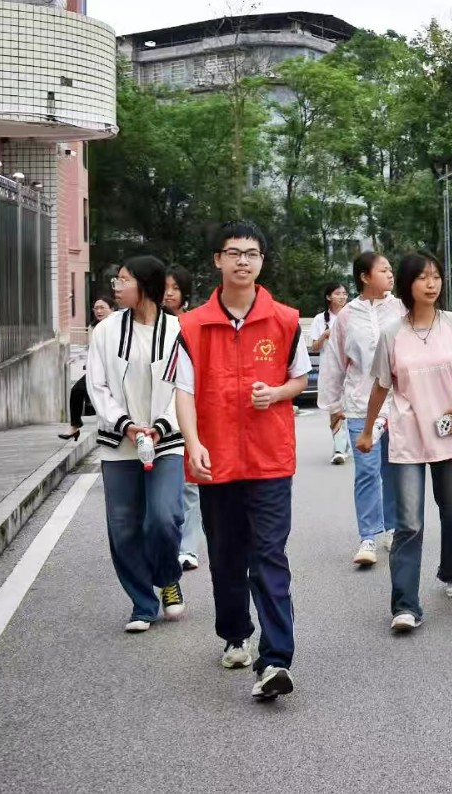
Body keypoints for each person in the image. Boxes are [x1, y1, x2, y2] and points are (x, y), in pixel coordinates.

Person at [173, 221, 310, 702]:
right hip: (217, 462)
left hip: (270, 458)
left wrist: (275, 393)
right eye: (233, 253)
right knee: (227, 556)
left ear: (261, 262)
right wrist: (192, 441)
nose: (243, 261)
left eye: (251, 254)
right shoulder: (191, 327)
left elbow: (299, 379)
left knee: (269, 555)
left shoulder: (286, 320)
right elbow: (184, 391)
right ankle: (235, 633)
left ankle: (275, 661)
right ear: (218, 260)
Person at [362, 251, 452, 632]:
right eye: (423, 278)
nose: (432, 284)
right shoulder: (392, 334)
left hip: (449, 430)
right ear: (409, 285)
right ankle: (405, 604)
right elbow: (381, 385)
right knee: (409, 523)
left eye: (437, 276)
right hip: (408, 434)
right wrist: (366, 431)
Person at [87, 257, 187, 633]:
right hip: (120, 441)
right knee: (124, 524)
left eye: (123, 280)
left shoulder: (180, 330)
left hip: (167, 438)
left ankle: (167, 576)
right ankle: (143, 603)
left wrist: (161, 426)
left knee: (164, 517)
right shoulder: (106, 331)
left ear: (145, 285)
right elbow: (97, 385)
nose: (116, 286)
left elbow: (184, 388)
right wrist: (126, 425)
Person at [318, 252, 403, 567]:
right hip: (358, 405)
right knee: (366, 471)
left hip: (396, 404)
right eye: (384, 270)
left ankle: (392, 528)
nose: (390, 274)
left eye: (391, 269)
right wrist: (333, 406)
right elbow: (335, 363)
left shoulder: (400, 308)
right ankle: (368, 535)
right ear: (365, 277)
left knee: (392, 468)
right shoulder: (347, 316)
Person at [163, 265, 203, 573]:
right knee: (166, 489)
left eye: (174, 288)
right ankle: (166, 542)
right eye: (164, 287)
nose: (168, 293)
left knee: (190, 487)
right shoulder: (151, 325)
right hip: (158, 414)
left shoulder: (192, 324)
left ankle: (187, 549)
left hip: (189, 410)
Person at [309, 283, 352, 464]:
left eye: (344, 293)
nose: (342, 297)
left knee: (352, 408)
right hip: (330, 369)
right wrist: (324, 335)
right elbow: (314, 347)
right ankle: (339, 448)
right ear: (329, 297)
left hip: (350, 369)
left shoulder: (352, 315)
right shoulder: (321, 319)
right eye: (337, 294)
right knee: (334, 408)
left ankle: (346, 444)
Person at [59, 297, 114, 440]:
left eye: (103, 307)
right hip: (96, 370)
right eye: (96, 308)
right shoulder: (93, 327)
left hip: (114, 371)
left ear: (112, 309)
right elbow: (92, 349)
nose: (99, 311)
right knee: (77, 390)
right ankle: (74, 425)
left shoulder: (118, 326)